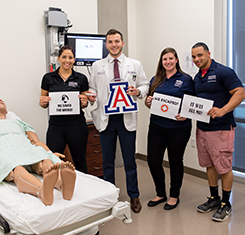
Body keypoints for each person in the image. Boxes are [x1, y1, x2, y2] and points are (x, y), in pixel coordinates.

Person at [88, 29, 149, 213]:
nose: (114, 45)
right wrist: (92, 97)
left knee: (129, 160)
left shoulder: (135, 64)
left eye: (117, 41)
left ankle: (134, 196)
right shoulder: (97, 66)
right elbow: (92, 88)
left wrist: (138, 92)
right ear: (106, 44)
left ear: (122, 43)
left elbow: (144, 84)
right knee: (107, 161)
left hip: (126, 119)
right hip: (106, 119)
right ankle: (110, 197)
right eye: (110, 42)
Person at [191, 42, 245, 222]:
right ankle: (214, 199)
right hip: (203, 128)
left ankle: (225, 204)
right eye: (194, 57)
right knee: (209, 165)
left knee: (224, 167)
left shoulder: (223, 72)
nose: (197, 59)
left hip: (221, 129)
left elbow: (240, 93)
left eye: (200, 55)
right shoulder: (197, 77)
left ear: (208, 53)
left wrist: (223, 110)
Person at [0, 99, 76, 206]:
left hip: (25, 148)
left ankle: (62, 184)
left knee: (45, 161)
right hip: (6, 153)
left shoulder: (18, 122)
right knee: (17, 168)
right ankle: (41, 191)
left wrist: (49, 153)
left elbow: (35, 141)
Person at [145, 48, 194, 210]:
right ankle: (160, 193)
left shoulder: (186, 79)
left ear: (177, 60)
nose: (168, 62)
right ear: (162, 61)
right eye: (165, 59)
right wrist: (148, 102)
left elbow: (193, 103)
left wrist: (186, 115)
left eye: (171, 58)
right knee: (153, 161)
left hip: (178, 128)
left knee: (175, 162)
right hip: (157, 127)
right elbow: (149, 101)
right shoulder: (156, 79)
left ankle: (174, 196)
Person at [40, 45, 89, 173]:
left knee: (80, 161)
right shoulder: (48, 78)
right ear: (58, 58)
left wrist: (85, 102)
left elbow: (85, 103)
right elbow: (43, 103)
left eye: (70, 57)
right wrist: (42, 102)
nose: (67, 60)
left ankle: (85, 190)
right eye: (64, 57)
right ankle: (57, 188)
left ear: (74, 60)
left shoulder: (81, 78)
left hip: (77, 126)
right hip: (56, 127)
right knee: (54, 161)